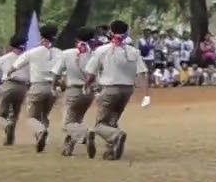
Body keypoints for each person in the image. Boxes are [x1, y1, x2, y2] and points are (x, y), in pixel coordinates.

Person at [83, 21, 151, 160]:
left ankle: (116, 135)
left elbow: (91, 73)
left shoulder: (102, 50)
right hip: (126, 90)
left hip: (109, 89)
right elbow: (142, 73)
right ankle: (111, 150)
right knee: (113, 119)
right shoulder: (133, 51)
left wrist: (87, 85)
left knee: (100, 125)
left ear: (111, 32)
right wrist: (146, 95)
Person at [12, 23, 62, 152]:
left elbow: (16, 65)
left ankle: (41, 131)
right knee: (44, 115)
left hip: (37, 86)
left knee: (32, 117)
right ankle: (41, 136)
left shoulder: (33, 52)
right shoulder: (59, 53)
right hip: (53, 88)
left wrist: (8, 73)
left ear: (41, 35)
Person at [53, 27, 96, 156]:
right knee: (76, 119)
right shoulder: (94, 54)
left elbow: (56, 73)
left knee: (67, 124)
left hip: (73, 91)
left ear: (76, 38)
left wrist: (54, 86)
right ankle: (68, 147)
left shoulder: (67, 53)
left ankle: (85, 134)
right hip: (89, 92)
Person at [0, 35, 30, 145]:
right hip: (22, 87)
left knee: (0, 114)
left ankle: (6, 126)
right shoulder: (27, 58)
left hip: (9, 84)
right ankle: (9, 139)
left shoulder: (5, 58)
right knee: (14, 113)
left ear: (11, 45)